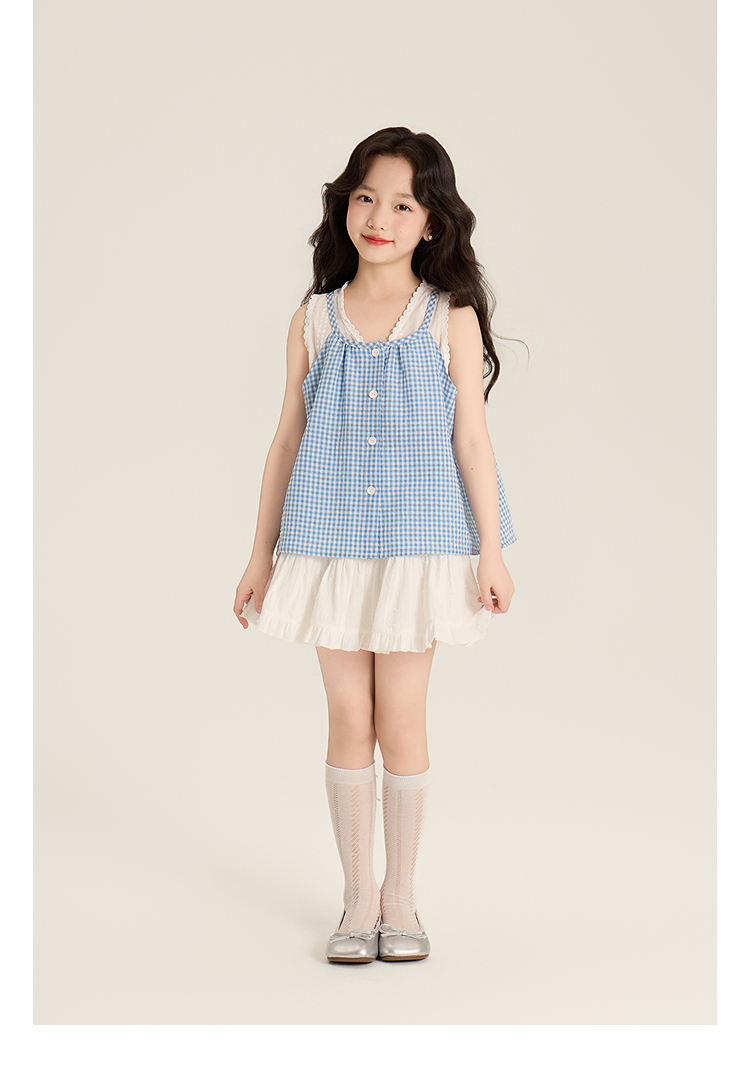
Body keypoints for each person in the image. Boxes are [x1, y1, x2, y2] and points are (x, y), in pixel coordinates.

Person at [233, 127, 521, 964]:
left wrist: (491, 550)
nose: (379, 218)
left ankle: (403, 898)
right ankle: (357, 897)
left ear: (431, 223)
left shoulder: (448, 317)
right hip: (326, 547)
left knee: (401, 718)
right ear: (345, 205)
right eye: (366, 197)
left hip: (417, 546)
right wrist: (260, 554)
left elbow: (473, 437)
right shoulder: (313, 319)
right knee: (347, 716)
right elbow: (286, 440)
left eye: (402, 204)